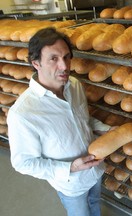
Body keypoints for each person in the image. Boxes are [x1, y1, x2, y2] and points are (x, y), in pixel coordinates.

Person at [7, 27, 111, 216]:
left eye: (66, 57)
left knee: (95, 204)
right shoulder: (23, 113)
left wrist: (108, 130)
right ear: (36, 63)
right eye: (53, 59)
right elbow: (23, 163)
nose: (64, 66)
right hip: (70, 182)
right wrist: (70, 167)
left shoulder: (74, 85)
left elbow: (83, 119)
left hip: (95, 171)